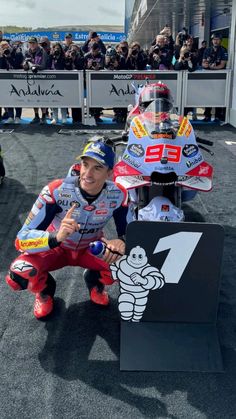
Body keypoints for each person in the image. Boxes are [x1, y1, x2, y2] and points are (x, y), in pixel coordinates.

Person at [5, 139, 128, 319]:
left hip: (91, 248)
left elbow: (133, 233)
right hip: (56, 249)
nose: (88, 173)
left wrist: (122, 241)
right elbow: (21, 239)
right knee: (18, 272)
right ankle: (45, 291)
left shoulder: (119, 194)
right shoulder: (56, 190)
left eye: (97, 168)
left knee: (129, 264)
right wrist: (56, 237)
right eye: (85, 164)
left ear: (110, 172)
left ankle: (95, 281)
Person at [202, 32, 228, 122]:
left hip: (220, 77)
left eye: (217, 39)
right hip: (208, 77)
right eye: (214, 39)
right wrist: (207, 65)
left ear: (220, 41)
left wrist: (212, 67)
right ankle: (207, 115)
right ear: (212, 41)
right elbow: (204, 63)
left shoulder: (224, 50)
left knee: (219, 96)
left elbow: (222, 65)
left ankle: (217, 116)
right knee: (208, 96)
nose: (215, 41)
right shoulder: (207, 50)